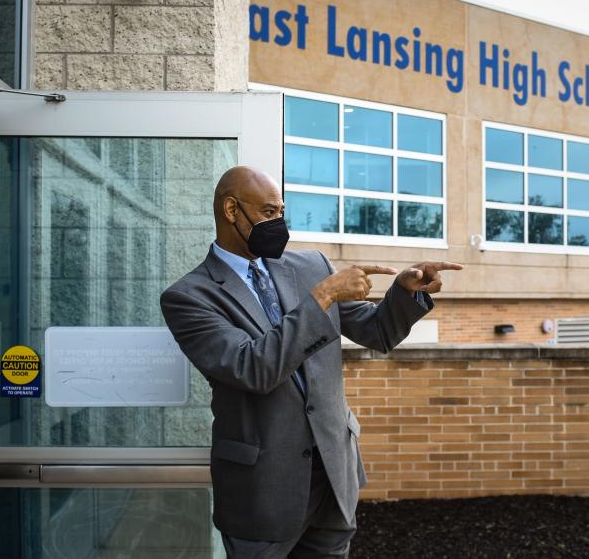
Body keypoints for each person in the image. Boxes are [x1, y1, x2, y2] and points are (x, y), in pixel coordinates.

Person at [160, 166, 462, 558]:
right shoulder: (190, 297)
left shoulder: (310, 267)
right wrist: (321, 298)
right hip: (262, 490)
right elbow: (253, 368)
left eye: (282, 212)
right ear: (231, 210)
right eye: (269, 212)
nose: (279, 223)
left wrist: (404, 294)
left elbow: (377, 332)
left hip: (334, 477)